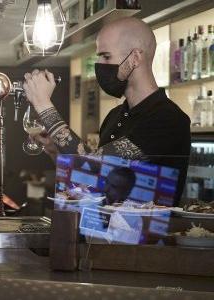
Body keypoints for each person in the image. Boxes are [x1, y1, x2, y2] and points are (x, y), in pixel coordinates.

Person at [23, 17, 190, 206]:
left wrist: (43, 104)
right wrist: (56, 151)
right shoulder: (115, 116)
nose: (99, 65)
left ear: (135, 58)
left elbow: (90, 166)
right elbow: (90, 180)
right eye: (99, 57)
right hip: (102, 232)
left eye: (106, 56)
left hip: (146, 234)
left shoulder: (167, 119)